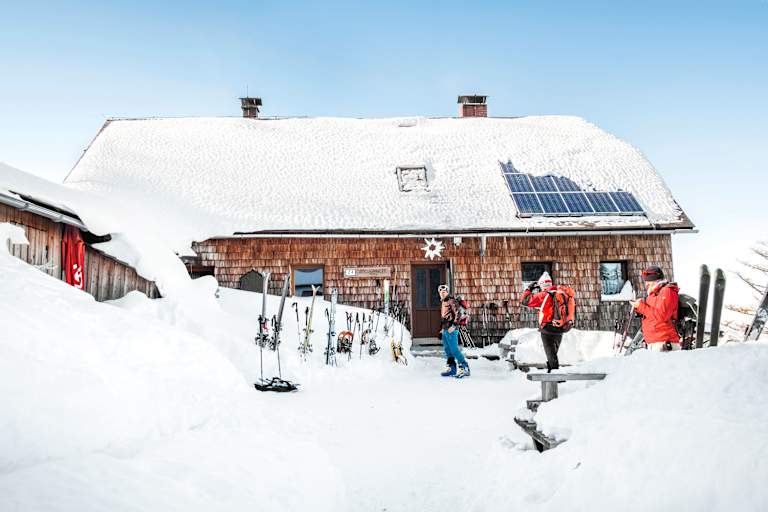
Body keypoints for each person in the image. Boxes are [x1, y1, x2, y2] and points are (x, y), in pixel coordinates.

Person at [521, 272, 574, 372]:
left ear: (542, 285)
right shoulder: (561, 293)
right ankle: (551, 372)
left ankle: (555, 374)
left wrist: (529, 289)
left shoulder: (543, 295)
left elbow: (525, 301)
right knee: (553, 353)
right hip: (560, 326)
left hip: (547, 328)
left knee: (551, 353)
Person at [631, 266, 680, 352]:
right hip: (655, 343)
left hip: (664, 343)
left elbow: (662, 316)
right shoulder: (653, 294)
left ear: (656, 280)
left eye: (648, 281)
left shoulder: (667, 291)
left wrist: (641, 306)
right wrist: (639, 309)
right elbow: (653, 314)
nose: (646, 284)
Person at [438, 284, 470, 378]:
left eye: (444, 292)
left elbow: (458, 313)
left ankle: (465, 367)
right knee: (448, 350)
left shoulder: (451, 300)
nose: (442, 293)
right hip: (445, 329)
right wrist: (442, 329)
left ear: (447, 292)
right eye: (441, 292)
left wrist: (454, 325)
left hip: (452, 329)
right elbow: (445, 317)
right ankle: (452, 368)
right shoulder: (444, 301)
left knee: (454, 350)